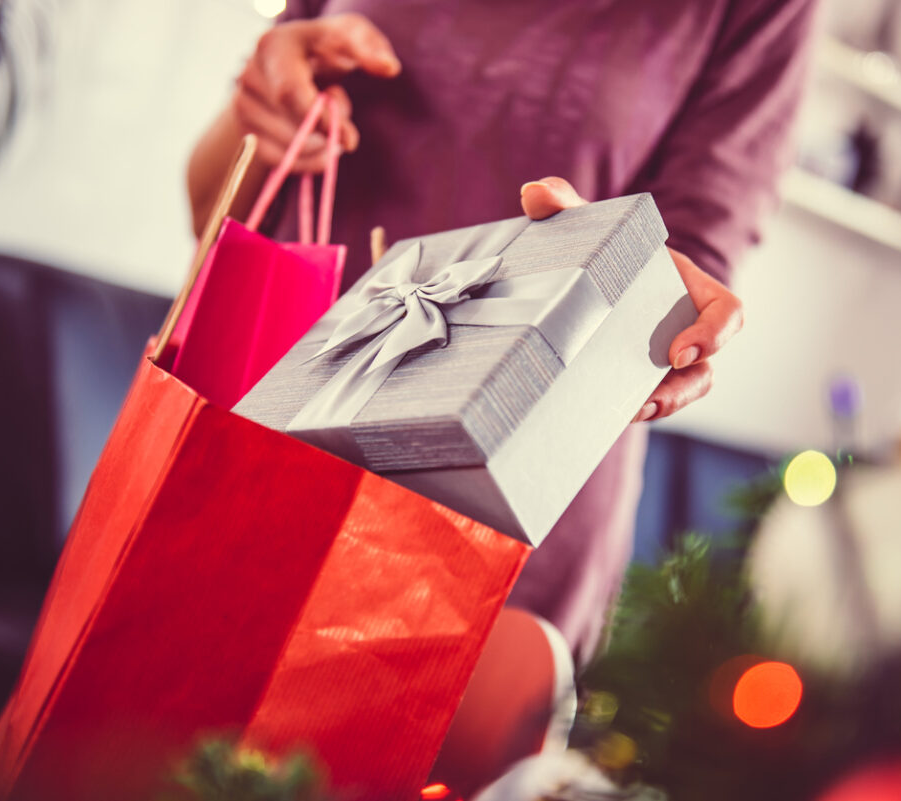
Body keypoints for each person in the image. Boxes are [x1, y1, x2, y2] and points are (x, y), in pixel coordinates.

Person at [188, 0, 817, 666]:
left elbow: (688, 274)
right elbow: (212, 217)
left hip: (502, 502)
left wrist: (636, 285)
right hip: (266, 449)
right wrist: (259, 110)